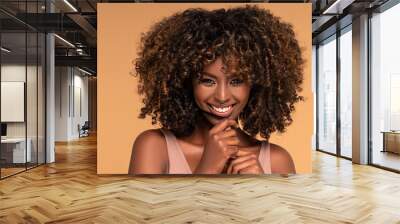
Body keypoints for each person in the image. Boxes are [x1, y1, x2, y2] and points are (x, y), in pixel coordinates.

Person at [129, 5, 304, 174]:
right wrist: (208, 168)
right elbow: (139, 206)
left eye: (236, 81)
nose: (222, 97)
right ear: (185, 81)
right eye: (207, 81)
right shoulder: (153, 146)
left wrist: (258, 188)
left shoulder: (277, 160)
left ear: (256, 84)